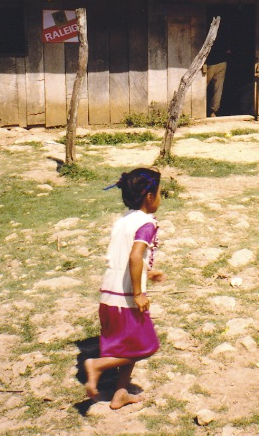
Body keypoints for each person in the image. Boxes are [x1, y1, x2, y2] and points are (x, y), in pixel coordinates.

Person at [84, 168, 165, 409]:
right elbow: (134, 256)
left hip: (109, 293)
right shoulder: (147, 223)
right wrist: (139, 293)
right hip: (127, 298)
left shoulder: (123, 221)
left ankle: (121, 391)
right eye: (160, 193)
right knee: (147, 347)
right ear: (149, 197)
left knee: (130, 344)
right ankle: (96, 365)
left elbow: (122, 257)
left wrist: (148, 273)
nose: (161, 198)